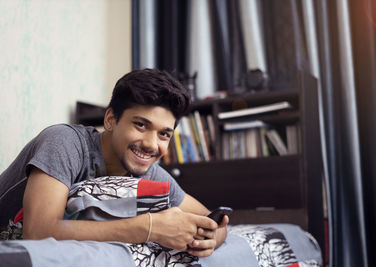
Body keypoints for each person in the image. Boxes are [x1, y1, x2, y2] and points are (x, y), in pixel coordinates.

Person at [0, 68, 228, 257]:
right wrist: (148, 228)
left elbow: (212, 221)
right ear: (110, 120)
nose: (151, 144)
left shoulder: (149, 173)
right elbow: (39, 232)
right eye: (140, 125)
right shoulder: (64, 142)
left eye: (164, 134)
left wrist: (210, 240)